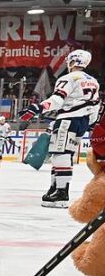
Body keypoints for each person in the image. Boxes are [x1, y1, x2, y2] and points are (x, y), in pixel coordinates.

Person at [38, 49, 100, 207]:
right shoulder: (93, 80)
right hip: (83, 121)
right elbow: (95, 106)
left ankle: (61, 192)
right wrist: (89, 122)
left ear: (74, 61)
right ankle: (55, 188)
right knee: (64, 154)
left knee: (61, 153)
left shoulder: (68, 78)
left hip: (68, 119)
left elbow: (58, 99)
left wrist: (39, 107)